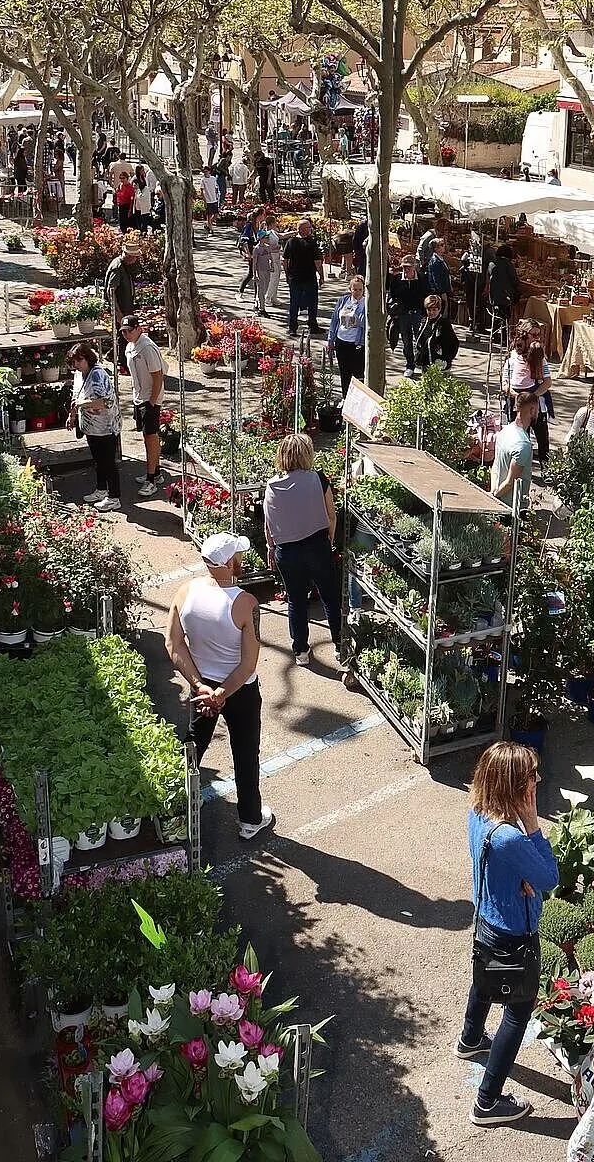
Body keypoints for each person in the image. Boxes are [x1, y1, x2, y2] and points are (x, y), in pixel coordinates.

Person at [459, 741, 559, 1127]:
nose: (538, 780)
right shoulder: (511, 837)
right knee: (517, 1014)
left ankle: (470, 1038)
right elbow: (548, 877)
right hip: (514, 934)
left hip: (487, 920)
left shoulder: (478, 812)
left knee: (484, 981)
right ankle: (487, 1102)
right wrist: (533, 826)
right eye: (531, 776)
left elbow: (504, 866)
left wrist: (518, 874)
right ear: (514, 785)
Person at [165, 534, 273, 842]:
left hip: (202, 689)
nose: (241, 558)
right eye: (238, 554)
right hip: (240, 691)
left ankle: (175, 810)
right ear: (229, 562)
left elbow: (173, 644)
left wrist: (201, 686)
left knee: (192, 747)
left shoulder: (185, 592)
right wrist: (222, 693)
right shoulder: (246, 603)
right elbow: (248, 664)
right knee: (245, 753)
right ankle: (250, 820)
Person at [263, 432, 343, 667]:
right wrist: (329, 539)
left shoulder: (271, 486)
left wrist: (271, 547)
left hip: (287, 551)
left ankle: (300, 650)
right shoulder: (318, 479)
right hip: (317, 545)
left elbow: (268, 524)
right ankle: (340, 645)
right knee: (330, 597)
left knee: (296, 601)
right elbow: (331, 515)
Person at [65, 342, 121, 512]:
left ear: (87, 358)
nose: (76, 365)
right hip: (91, 427)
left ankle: (114, 497)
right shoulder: (78, 375)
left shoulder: (98, 374)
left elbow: (107, 402)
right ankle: (101, 489)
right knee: (98, 461)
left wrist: (83, 404)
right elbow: (76, 397)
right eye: (73, 362)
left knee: (108, 462)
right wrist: (72, 416)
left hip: (106, 427)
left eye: (79, 361)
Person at [119, 314, 164, 497]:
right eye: (124, 331)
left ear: (139, 329)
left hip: (149, 399)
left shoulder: (147, 348)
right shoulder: (130, 347)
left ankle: (151, 480)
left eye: (130, 331)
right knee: (147, 436)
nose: (126, 334)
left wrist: (152, 401)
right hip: (139, 397)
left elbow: (158, 376)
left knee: (150, 437)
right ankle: (156, 472)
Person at [500, 319, 552, 465]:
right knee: (520, 436)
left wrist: (533, 396)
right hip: (516, 400)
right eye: (533, 335)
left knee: (542, 436)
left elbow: (547, 382)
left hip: (534, 401)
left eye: (538, 335)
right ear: (524, 335)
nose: (537, 338)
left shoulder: (539, 357)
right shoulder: (512, 357)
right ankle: (521, 467)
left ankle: (546, 468)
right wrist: (513, 394)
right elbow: (505, 381)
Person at [490, 392, 538, 509]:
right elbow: (510, 482)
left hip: (498, 498)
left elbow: (495, 466)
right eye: (538, 410)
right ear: (532, 411)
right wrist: (494, 497)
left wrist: (493, 491)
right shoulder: (523, 444)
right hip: (513, 507)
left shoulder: (504, 431)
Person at [387, 254, 428, 378]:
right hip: (403, 316)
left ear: (414, 267)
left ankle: (423, 365)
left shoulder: (422, 279)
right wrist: (394, 313)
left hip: (418, 315)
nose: (407, 270)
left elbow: (426, 296)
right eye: (404, 267)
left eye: (409, 267)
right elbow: (392, 296)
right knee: (406, 342)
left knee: (421, 341)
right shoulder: (397, 279)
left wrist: (425, 314)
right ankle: (410, 365)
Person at [103, 239, 141, 371]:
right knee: (123, 335)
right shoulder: (117, 267)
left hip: (125, 306)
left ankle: (113, 355)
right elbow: (111, 291)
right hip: (120, 309)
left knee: (123, 334)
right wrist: (118, 313)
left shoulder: (123, 265)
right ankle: (122, 364)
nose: (135, 260)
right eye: (134, 257)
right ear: (129, 256)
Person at [282, 217, 324, 336]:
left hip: (294, 277)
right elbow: (317, 262)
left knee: (294, 303)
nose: (310, 229)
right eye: (308, 228)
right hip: (309, 277)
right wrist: (321, 276)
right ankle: (312, 325)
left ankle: (292, 328)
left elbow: (285, 260)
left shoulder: (291, 242)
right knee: (312, 303)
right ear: (303, 229)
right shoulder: (312, 242)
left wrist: (287, 274)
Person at [327, 274, 366, 397]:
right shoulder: (343, 300)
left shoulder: (366, 303)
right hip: (341, 341)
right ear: (350, 289)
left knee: (358, 374)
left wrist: (358, 318)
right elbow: (335, 320)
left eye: (360, 289)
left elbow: (366, 323)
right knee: (344, 373)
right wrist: (330, 340)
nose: (357, 292)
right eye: (355, 289)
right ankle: (345, 398)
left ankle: (358, 400)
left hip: (357, 343)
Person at [415, 293, 459, 371]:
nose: (431, 312)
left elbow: (454, 343)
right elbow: (420, 340)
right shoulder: (424, 322)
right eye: (429, 310)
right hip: (426, 362)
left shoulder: (444, 324)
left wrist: (447, 358)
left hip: (441, 362)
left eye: (434, 310)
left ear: (439, 309)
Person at [488, 244, 520, 319]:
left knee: (495, 314)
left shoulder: (492, 263)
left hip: (494, 294)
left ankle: (495, 325)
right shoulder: (508, 264)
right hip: (505, 295)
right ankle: (504, 326)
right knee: (505, 316)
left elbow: (489, 276)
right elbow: (514, 280)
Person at [238, 207, 261, 293]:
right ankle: (241, 292)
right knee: (251, 273)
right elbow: (244, 241)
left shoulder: (258, 225)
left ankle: (257, 295)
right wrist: (248, 253)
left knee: (256, 273)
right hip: (251, 251)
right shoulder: (249, 225)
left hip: (256, 251)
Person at [426, 237, 452, 310]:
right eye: (442, 245)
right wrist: (442, 292)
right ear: (436, 248)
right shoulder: (435, 261)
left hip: (444, 290)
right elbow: (436, 279)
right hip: (439, 293)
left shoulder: (440, 259)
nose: (444, 246)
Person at [132, 164, 155, 233]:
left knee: (144, 218)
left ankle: (144, 231)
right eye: (142, 170)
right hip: (138, 200)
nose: (143, 171)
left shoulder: (143, 178)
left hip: (144, 200)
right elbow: (134, 188)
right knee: (139, 217)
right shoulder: (135, 179)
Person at [200, 165, 219, 233]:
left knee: (216, 215)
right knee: (209, 215)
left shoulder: (213, 178)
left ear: (209, 171)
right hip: (208, 200)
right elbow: (201, 190)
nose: (205, 173)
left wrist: (217, 196)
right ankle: (211, 229)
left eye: (206, 171)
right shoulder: (203, 180)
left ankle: (208, 224)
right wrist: (204, 200)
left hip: (214, 199)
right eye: (204, 172)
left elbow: (216, 188)